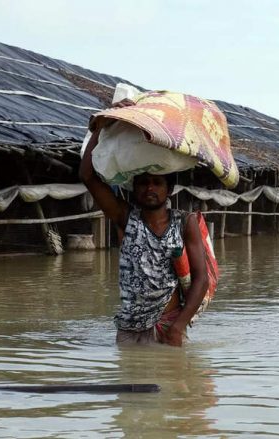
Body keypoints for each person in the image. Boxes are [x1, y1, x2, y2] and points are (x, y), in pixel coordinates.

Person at [80, 118, 209, 347]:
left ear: (169, 189)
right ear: (134, 188)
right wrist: (100, 127)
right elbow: (87, 177)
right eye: (143, 183)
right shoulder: (125, 217)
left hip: (168, 325)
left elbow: (201, 279)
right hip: (129, 328)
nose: (150, 188)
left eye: (157, 183)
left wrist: (178, 327)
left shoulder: (184, 222)